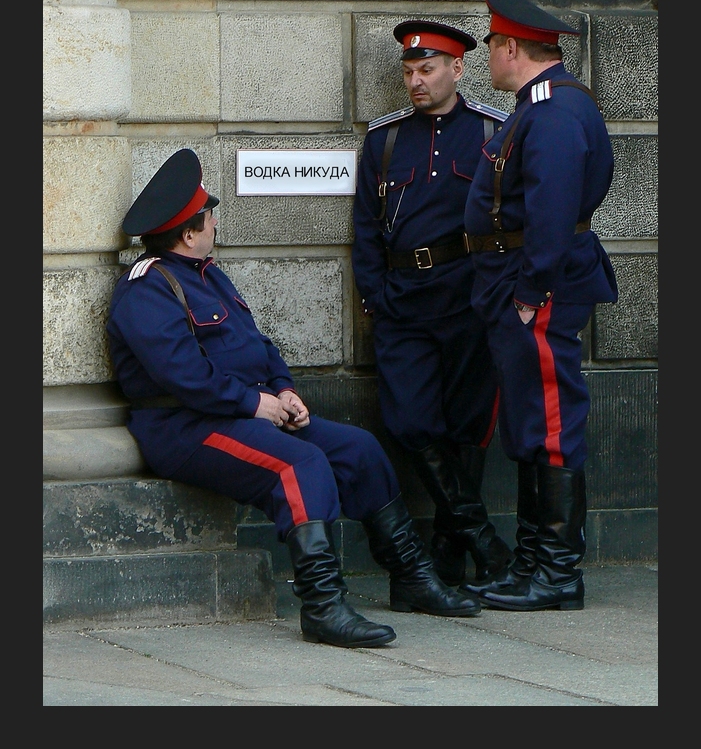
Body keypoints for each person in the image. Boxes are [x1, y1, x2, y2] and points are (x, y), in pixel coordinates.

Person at [107, 148, 481, 649]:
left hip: (249, 408)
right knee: (299, 466)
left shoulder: (207, 274)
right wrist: (253, 404)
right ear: (190, 232)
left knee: (360, 450)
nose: (216, 223)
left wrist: (282, 388)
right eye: (209, 216)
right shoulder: (147, 289)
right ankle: (323, 606)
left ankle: (411, 577)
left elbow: (257, 344)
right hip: (185, 426)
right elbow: (185, 376)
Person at [460, 0, 619, 611]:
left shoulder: (552, 111)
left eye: (491, 48)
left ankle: (555, 574)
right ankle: (531, 565)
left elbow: (551, 211)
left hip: (536, 283)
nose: (488, 61)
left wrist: (532, 289)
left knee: (551, 420)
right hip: (520, 279)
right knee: (530, 419)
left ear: (508, 46)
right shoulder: (541, 106)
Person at [352, 20, 514, 588]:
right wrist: (376, 295)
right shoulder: (385, 139)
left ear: (457, 69)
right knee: (410, 420)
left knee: (469, 423)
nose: (416, 82)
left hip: (470, 302)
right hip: (404, 302)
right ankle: (484, 539)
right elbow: (366, 229)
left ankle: (449, 555)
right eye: (408, 72)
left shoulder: (496, 134)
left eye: (426, 70)